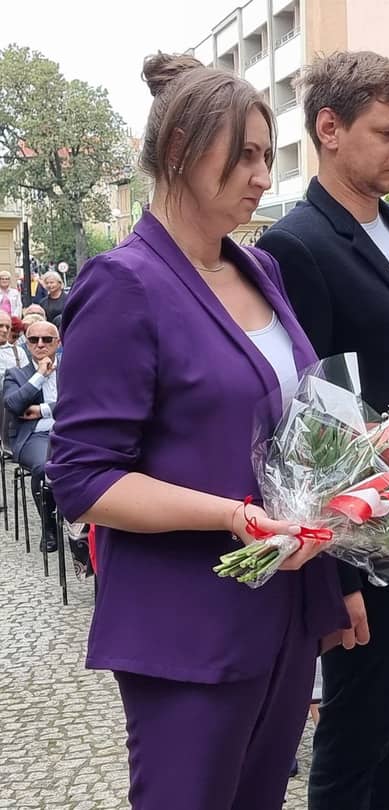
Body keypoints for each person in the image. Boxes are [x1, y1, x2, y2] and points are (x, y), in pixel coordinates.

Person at [46, 53, 348, 810]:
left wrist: (338, 553)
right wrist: (229, 516)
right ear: (180, 148)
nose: (262, 175)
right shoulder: (125, 283)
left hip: (282, 609)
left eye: (266, 156)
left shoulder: (257, 270)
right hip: (189, 626)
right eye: (244, 155)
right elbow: (83, 478)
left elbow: (297, 423)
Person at [255, 50, 389, 810]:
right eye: (388, 133)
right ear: (330, 128)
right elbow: (306, 421)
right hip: (367, 542)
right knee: (358, 735)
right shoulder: (296, 245)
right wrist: (338, 576)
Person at [4, 320, 61, 552]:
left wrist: (43, 409)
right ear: (26, 344)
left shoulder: (72, 370)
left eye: (46, 339)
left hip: (69, 431)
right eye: (33, 340)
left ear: (57, 343)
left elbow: (84, 402)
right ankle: (49, 526)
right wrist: (39, 375)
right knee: (43, 466)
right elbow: (13, 405)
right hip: (35, 436)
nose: (40, 344)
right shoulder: (16, 374)